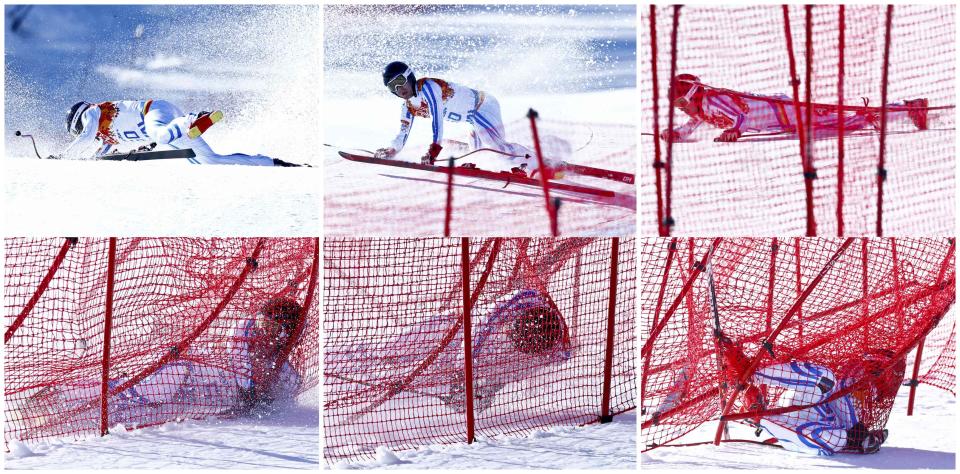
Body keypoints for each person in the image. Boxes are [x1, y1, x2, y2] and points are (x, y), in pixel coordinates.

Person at [21, 296, 306, 434]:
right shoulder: (243, 330)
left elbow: (284, 390)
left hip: (206, 396)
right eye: (262, 323)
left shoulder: (284, 369)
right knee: (144, 391)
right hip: (192, 372)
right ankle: (59, 398)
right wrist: (256, 384)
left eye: (272, 329)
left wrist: (268, 380)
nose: (262, 332)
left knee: (141, 404)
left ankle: (76, 407)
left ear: (285, 337)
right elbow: (243, 372)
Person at [721, 339, 903, 456]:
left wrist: (859, 437)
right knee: (827, 379)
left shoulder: (871, 397)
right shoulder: (852, 378)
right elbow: (842, 388)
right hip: (808, 404)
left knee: (835, 441)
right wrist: (859, 432)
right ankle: (749, 374)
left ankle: (759, 416)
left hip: (808, 428)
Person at [374, 61, 538, 175]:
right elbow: (402, 134)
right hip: (472, 119)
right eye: (392, 86)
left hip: (483, 106)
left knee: (495, 147)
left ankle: (543, 164)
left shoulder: (428, 87)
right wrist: (392, 150)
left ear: (409, 76)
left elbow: (436, 119)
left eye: (400, 80)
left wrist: (434, 150)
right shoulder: (408, 107)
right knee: (480, 155)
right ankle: (520, 161)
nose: (399, 88)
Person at [660, 74, 929, 142]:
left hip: (786, 111)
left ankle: (907, 108)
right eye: (677, 106)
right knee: (843, 122)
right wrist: (678, 133)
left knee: (843, 120)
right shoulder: (702, 110)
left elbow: (738, 116)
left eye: (682, 103)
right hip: (784, 122)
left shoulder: (712, 99)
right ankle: (903, 110)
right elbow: (691, 125)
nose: (682, 110)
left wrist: (735, 131)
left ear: (694, 95)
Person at [60, 100, 302, 166]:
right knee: (210, 161)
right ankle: (275, 163)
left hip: (154, 111)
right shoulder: (105, 139)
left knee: (162, 136)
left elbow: (86, 137)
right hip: (172, 131)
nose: (85, 130)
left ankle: (192, 118)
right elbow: (100, 152)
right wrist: (91, 160)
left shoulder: (91, 112)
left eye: (79, 129)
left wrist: (62, 159)